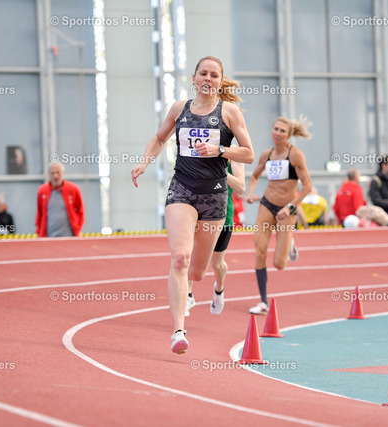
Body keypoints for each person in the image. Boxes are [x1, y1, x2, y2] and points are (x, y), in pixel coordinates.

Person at [131, 56, 254, 354]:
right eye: (203, 74)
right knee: (180, 259)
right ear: (195, 78)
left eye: (214, 75)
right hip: (182, 190)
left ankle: (208, 287)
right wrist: (145, 162)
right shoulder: (179, 109)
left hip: (214, 196)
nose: (208, 79)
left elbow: (249, 154)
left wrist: (219, 150)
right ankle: (178, 331)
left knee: (197, 272)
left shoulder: (229, 113)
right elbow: (159, 138)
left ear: (220, 81)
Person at [246, 117, 312, 315]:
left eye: (282, 131)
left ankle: (290, 243)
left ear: (289, 135)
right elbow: (254, 176)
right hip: (267, 205)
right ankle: (263, 302)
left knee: (279, 264)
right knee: (259, 251)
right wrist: (251, 193)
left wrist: (290, 206)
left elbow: (307, 186)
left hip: (286, 209)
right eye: (275, 129)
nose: (277, 133)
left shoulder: (295, 155)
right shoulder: (266, 155)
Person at [186, 160, 245, 317]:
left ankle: (219, 289)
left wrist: (219, 169)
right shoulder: (197, 150)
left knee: (216, 263)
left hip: (223, 215)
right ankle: (188, 294)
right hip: (198, 211)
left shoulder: (233, 155)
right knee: (190, 254)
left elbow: (241, 187)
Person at [36, 162, 85, 237]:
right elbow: (39, 213)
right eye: (52, 173)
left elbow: (80, 211)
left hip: (69, 236)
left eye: (58, 172)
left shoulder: (74, 189)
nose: (55, 176)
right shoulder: (42, 190)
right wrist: (39, 231)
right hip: (48, 237)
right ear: (49, 174)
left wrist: (78, 228)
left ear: (63, 173)